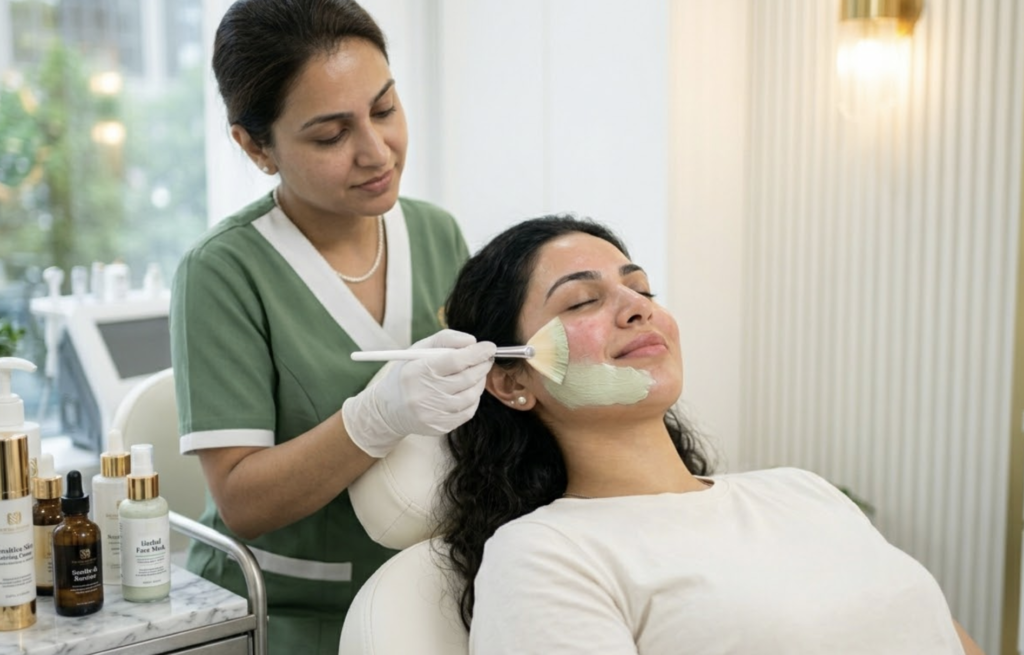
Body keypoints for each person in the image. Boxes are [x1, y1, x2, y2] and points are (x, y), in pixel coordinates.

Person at [436, 215, 985, 655]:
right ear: (512, 381)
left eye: (642, 289)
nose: (637, 308)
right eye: (583, 301)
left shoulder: (801, 490)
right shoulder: (545, 554)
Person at [169, 1, 495, 652]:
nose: (376, 152)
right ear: (256, 147)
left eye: (384, 109)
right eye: (330, 136)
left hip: (430, 594)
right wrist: (374, 417)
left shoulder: (436, 233)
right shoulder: (222, 273)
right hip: (284, 613)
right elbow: (242, 501)